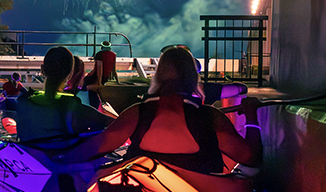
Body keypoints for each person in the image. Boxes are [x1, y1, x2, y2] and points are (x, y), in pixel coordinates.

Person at [64, 47, 262, 173]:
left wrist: (59, 158)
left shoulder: (137, 113)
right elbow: (251, 158)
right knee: (248, 173)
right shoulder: (210, 117)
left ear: (158, 76)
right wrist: (252, 118)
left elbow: (94, 148)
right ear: (193, 77)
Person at [15, 47, 114, 142]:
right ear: (70, 74)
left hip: (31, 156)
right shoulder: (73, 106)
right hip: (64, 157)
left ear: (42, 70)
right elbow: (114, 124)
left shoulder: (23, 102)